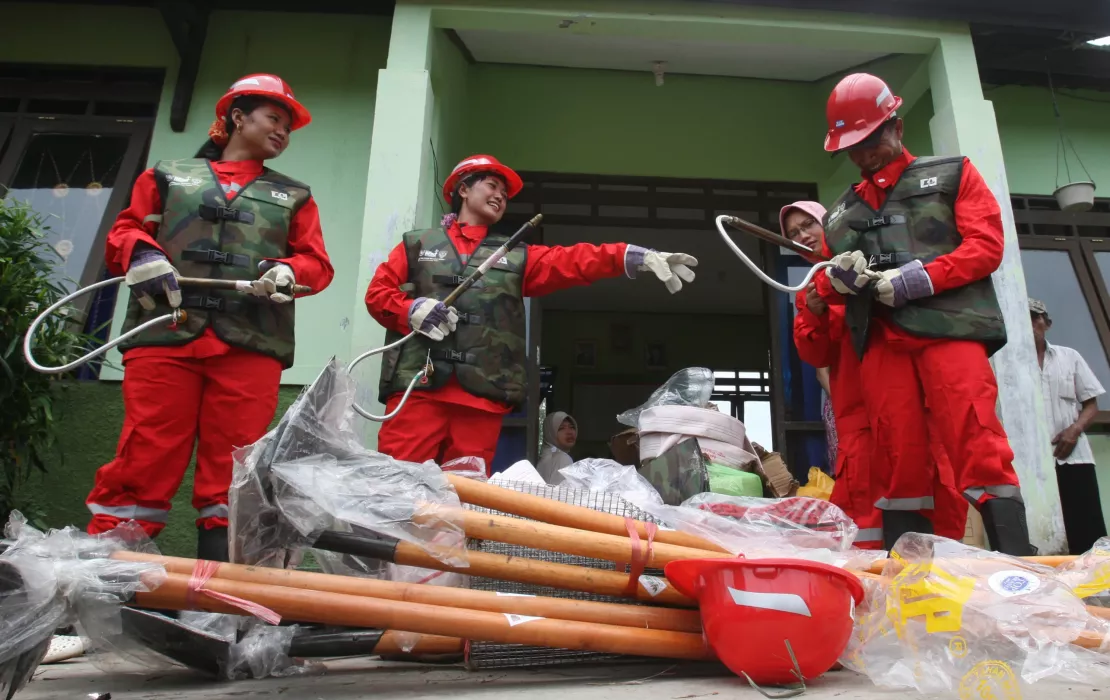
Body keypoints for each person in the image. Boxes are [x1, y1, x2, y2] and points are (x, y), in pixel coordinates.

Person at [84, 74, 334, 561]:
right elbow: (126, 230)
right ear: (237, 117)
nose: (283, 131)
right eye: (274, 119)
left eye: (288, 126)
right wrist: (141, 256)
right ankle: (108, 584)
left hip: (250, 343)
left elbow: (317, 264)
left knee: (236, 465)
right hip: (165, 337)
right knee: (146, 452)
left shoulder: (294, 196)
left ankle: (216, 599)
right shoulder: (167, 175)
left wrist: (288, 269)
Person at [365, 155, 697, 474]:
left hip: (482, 399)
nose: (500, 196)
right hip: (418, 389)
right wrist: (410, 310)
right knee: (396, 480)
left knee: (463, 494)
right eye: (492, 185)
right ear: (463, 189)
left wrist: (631, 255)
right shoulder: (416, 244)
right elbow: (378, 294)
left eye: (505, 194)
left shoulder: (518, 255)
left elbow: (573, 261)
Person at [817, 73, 1031, 554]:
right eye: (852, 146)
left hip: (949, 330)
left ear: (897, 124)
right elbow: (826, 285)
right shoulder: (839, 215)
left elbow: (986, 246)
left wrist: (921, 278)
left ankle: (1017, 560)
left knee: (975, 435)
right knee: (899, 454)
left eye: (870, 139)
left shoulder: (954, 175)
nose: (864, 153)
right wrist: (837, 282)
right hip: (881, 344)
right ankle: (907, 573)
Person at [784, 202, 967, 549]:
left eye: (808, 225)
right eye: (793, 233)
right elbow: (815, 353)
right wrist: (816, 311)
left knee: (929, 488)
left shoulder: (875, 258)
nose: (802, 235)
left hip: (909, 403)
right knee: (863, 502)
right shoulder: (811, 292)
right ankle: (876, 590)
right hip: (858, 415)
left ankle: (937, 580)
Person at [1031, 298, 1108, 554]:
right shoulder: (1009, 362)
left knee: (1087, 533)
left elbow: (1091, 404)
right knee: (1039, 536)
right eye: (1024, 319)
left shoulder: (1069, 357)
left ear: (1047, 323)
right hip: (1030, 464)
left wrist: (1074, 431)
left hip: (1073, 458)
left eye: (1035, 317)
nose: (1031, 324)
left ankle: (1097, 589)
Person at [536, 411, 578, 484]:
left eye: (572, 427)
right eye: (561, 428)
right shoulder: (562, 459)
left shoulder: (545, 456)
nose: (569, 432)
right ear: (550, 433)